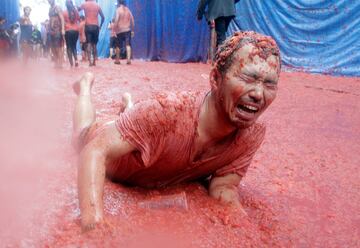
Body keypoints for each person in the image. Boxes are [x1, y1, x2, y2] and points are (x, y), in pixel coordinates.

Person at [73, 31, 281, 231]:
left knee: (143, 127)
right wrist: (94, 224)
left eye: (269, 84)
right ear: (216, 79)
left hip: (145, 134)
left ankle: (128, 109)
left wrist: (241, 224)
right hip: (110, 144)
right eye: (248, 78)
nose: (258, 94)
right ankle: (84, 87)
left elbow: (224, 185)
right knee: (80, 135)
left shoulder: (251, 134)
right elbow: (94, 150)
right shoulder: (167, 112)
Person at [78, 0, 105, 66]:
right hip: (96, 26)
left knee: (89, 44)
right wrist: (100, 26)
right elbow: (103, 17)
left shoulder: (84, 4)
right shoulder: (97, 5)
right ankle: (94, 62)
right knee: (94, 45)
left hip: (88, 25)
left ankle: (90, 62)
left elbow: (77, 10)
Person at [114, 0, 134, 65]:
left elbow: (116, 20)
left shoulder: (118, 10)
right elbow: (132, 20)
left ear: (119, 3)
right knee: (128, 45)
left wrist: (114, 30)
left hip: (119, 31)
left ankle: (117, 60)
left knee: (118, 46)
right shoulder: (128, 10)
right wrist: (133, 30)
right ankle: (128, 60)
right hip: (127, 30)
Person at [48, 0, 65, 68]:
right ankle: (56, 62)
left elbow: (62, 18)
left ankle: (60, 63)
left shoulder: (57, 7)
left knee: (58, 47)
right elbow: (50, 19)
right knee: (52, 47)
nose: (49, 1)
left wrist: (63, 29)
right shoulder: (50, 9)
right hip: (51, 30)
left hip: (58, 29)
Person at [63, 0, 80, 67]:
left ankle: (71, 63)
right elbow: (79, 19)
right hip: (76, 30)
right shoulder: (75, 12)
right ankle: (76, 60)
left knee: (69, 47)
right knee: (74, 46)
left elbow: (63, 22)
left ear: (66, 5)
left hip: (68, 31)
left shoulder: (64, 12)